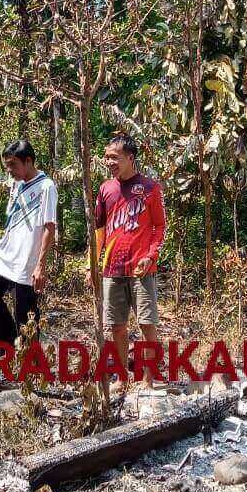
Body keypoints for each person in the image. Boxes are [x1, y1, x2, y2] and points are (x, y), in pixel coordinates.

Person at [92, 134, 165, 390]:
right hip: (112, 268)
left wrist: (151, 255)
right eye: (107, 157)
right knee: (117, 326)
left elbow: (159, 226)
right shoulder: (105, 189)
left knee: (147, 324)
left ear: (130, 158)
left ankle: (149, 379)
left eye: (115, 157)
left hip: (141, 269)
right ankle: (122, 378)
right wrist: (93, 262)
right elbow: (99, 229)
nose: (109, 161)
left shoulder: (150, 188)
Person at [0, 140, 58, 359]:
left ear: (28, 161)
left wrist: (40, 264)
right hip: (5, 255)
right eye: (7, 166)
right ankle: (7, 346)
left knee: (26, 313)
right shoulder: (16, 184)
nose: (9, 170)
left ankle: (29, 362)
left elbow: (50, 227)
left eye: (13, 165)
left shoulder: (46, 187)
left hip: (27, 259)